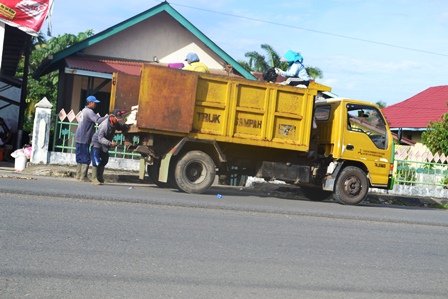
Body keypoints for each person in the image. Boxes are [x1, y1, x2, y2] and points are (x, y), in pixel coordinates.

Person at [90, 109, 129, 185]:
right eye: (116, 118)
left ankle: (100, 177)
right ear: (112, 117)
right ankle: (94, 179)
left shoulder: (115, 123)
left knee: (105, 159)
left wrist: (126, 126)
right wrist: (110, 143)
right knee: (96, 160)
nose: (118, 120)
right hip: (97, 142)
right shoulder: (104, 125)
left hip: (105, 143)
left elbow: (120, 127)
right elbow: (100, 138)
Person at [74, 95, 108, 182]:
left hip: (79, 136)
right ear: (90, 103)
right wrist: (108, 118)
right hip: (84, 137)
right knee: (85, 156)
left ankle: (78, 175)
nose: (95, 105)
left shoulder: (84, 110)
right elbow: (97, 120)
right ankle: (83, 176)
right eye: (95, 103)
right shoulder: (89, 111)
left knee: (79, 155)